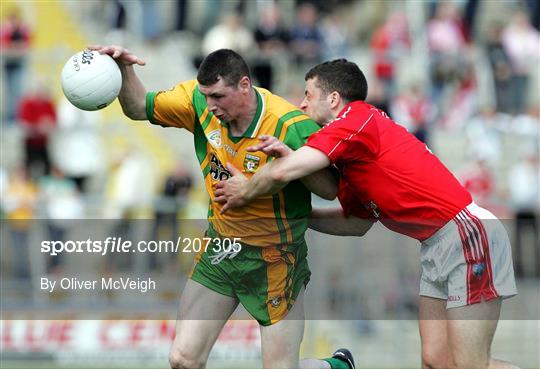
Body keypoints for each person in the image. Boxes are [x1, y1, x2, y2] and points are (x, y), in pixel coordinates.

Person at [215, 59, 519, 369]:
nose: (302, 104)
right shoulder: (351, 162)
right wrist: (296, 218)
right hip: (437, 244)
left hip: (465, 233)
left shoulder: (356, 119)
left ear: (333, 99)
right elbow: (356, 224)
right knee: (435, 360)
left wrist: (246, 190)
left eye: (308, 94)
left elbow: (287, 171)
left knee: (471, 365)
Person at [89, 45, 355, 369]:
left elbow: (330, 190)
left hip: (274, 258)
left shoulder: (289, 123)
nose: (210, 106)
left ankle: (337, 366)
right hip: (221, 249)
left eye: (218, 97)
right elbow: (136, 108)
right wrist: (123, 70)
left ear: (244, 85)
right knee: (183, 359)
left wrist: (289, 162)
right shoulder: (197, 101)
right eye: (206, 96)